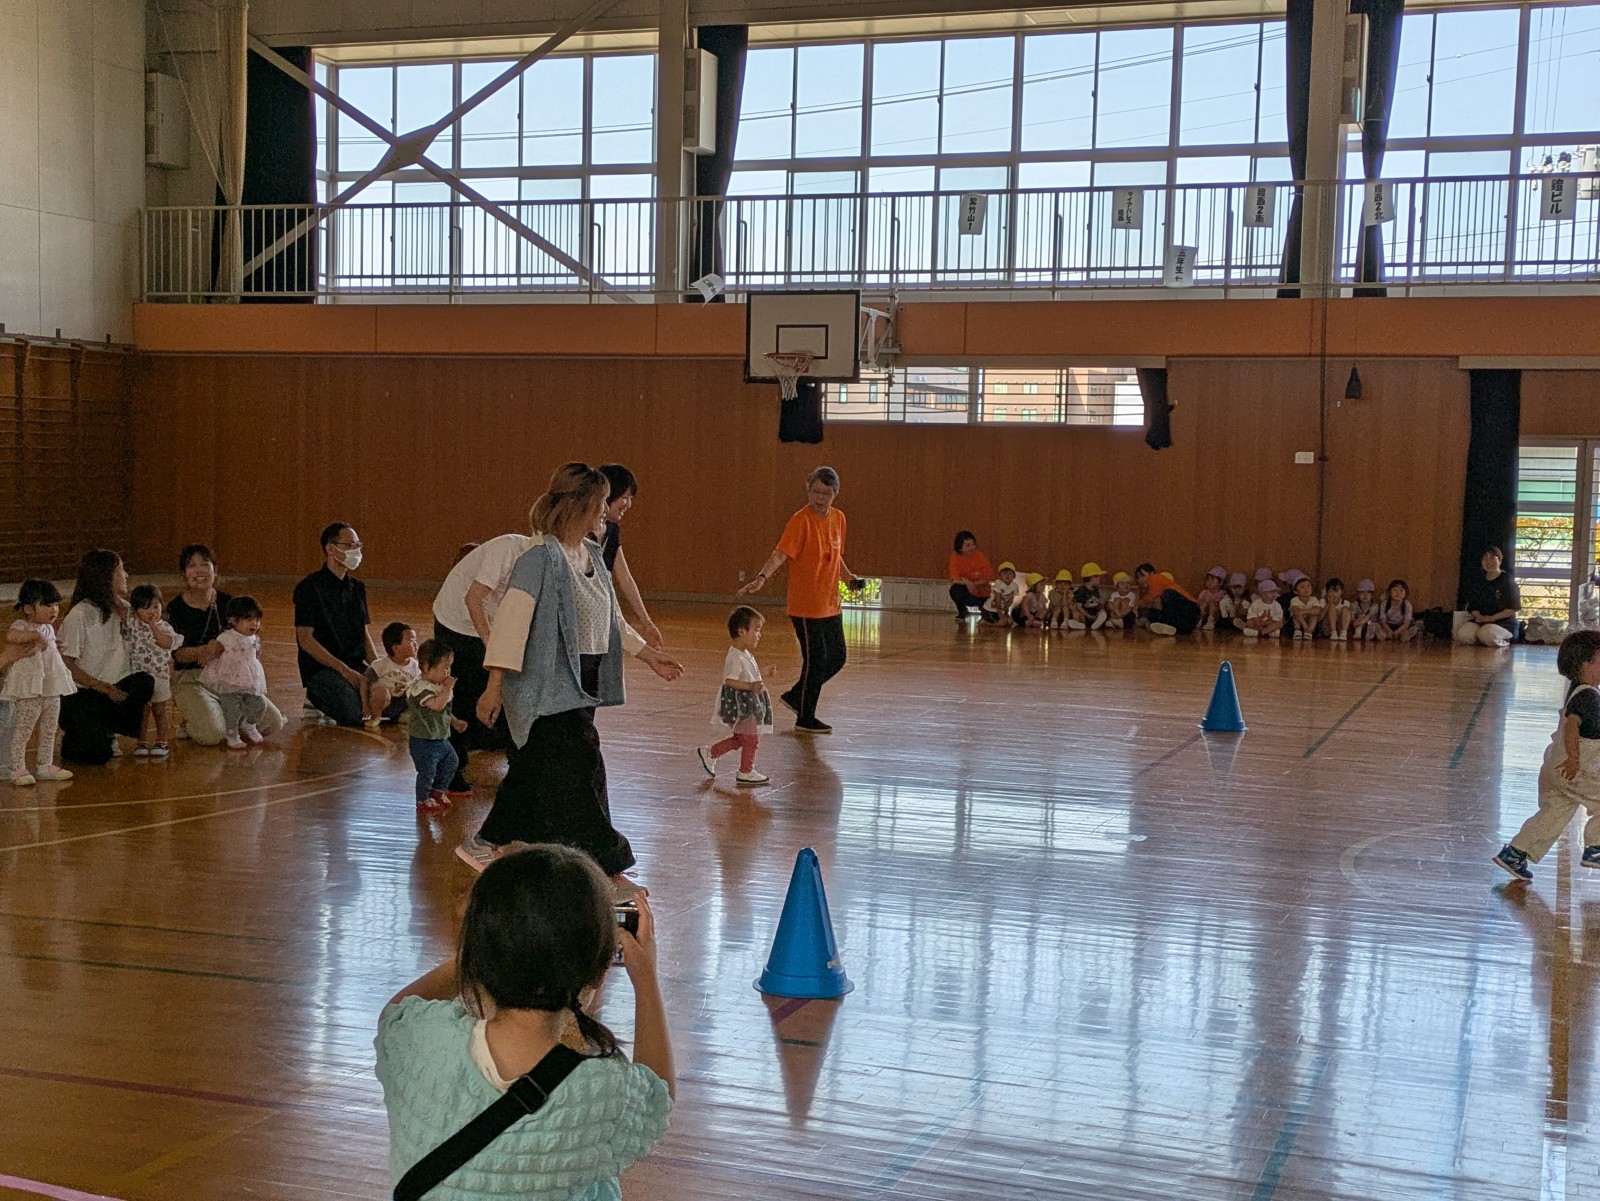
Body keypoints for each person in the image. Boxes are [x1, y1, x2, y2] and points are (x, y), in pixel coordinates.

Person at [375, 845, 673, 1200]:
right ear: (598, 972)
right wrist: (646, 979)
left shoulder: (417, 1040)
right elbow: (658, 1096)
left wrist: (480, 947)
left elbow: (395, 1013)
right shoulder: (601, 1091)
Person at [470, 464, 684, 887]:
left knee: (542, 771)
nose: (607, 509)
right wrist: (493, 688)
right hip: (542, 683)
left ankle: (493, 842)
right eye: (602, 502)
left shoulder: (593, 556)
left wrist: (648, 656)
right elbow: (510, 628)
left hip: (581, 681)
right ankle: (607, 864)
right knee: (583, 766)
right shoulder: (537, 560)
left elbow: (611, 619)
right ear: (582, 505)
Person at [739, 466, 859, 734]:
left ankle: (796, 696)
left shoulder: (839, 518)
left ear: (835, 494)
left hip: (831, 604)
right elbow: (780, 554)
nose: (820, 498)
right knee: (815, 662)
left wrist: (849, 578)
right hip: (806, 607)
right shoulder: (800, 521)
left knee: (838, 657)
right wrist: (762, 577)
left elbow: (835, 556)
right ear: (808, 489)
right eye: (815, 492)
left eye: (826, 494)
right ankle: (805, 718)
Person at [431, 530, 536, 795]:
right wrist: (491, 644)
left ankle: (519, 769)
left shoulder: (543, 568)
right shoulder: (509, 548)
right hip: (455, 622)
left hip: (492, 625)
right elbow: (473, 598)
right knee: (457, 694)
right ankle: (449, 771)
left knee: (511, 691)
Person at [1493, 630, 1600, 882]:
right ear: (1586, 664)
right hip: (1576, 769)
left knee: (1554, 813)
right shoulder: (1588, 697)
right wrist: (1574, 758)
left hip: (1556, 769)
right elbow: (1573, 726)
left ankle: (1515, 853)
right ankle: (1596, 847)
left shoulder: (1578, 691)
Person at [165, 545, 287, 745]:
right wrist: (205, 650)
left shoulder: (229, 602)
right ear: (183, 573)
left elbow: (250, 632)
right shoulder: (175, 608)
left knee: (272, 722)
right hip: (192, 679)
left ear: (215, 570)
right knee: (212, 735)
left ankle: (218, 715)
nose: (199, 570)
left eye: (205, 564)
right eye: (191, 565)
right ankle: (197, 718)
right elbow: (177, 655)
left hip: (232, 677)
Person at [58, 549, 155, 765]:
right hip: (84, 692)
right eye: (121, 570)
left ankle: (107, 729)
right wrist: (100, 686)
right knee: (96, 756)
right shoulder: (79, 614)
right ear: (105, 575)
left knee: (144, 681)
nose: (126, 575)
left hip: (115, 688)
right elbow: (66, 663)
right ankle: (78, 734)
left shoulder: (125, 610)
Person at [293, 522, 378, 727]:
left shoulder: (357, 588)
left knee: (393, 696)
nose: (356, 551)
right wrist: (343, 670)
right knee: (354, 713)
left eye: (358, 545)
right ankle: (315, 697)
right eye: (350, 545)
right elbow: (305, 640)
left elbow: (364, 633)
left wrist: (380, 668)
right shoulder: (309, 587)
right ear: (331, 549)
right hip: (322, 668)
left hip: (355, 665)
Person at [4, 580, 75, 785]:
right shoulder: (21, 626)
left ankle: (45, 764)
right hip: (31, 689)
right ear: (28, 608)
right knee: (24, 727)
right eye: (47, 605)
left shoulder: (49, 629)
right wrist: (35, 635)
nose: (54, 610)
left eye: (56, 605)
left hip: (51, 685)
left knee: (50, 727)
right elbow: (12, 636)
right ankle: (17, 767)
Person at [696, 605, 775, 786]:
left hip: (748, 703)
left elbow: (749, 675)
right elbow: (730, 681)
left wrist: (763, 673)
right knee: (751, 738)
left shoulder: (745, 655)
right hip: (742, 705)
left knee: (741, 738)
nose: (759, 635)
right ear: (741, 631)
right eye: (756, 630)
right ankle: (745, 772)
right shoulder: (735, 657)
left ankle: (710, 753)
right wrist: (751, 686)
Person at [597, 464, 664, 649]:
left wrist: (647, 623)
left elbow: (625, 578)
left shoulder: (611, 530)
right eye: (624, 497)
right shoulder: (581, 531)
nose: (628, 504)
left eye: (630, 498)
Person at [406, 639, 467, 816]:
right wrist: (448, 688)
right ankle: (422, 799)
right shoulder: (421, 689)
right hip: (423, 740)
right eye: (444, 668)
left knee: (452, 761)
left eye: (449, 667)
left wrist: (454, 721)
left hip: (440, 737)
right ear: (426, 668)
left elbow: (443, 711)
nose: (447, 672)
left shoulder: (438, 687)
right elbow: (437, 706)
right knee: (427, 770)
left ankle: (438, 790)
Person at [201, 596, 269, 749]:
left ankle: (249, 725)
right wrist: (208, 658)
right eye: (248, 619)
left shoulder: (254, 638)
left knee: (259, 704)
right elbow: (213, 653)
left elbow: (255, 656)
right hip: (229, 681)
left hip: (248, 680)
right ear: (233, 620)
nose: (254, 623)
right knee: (232, 708)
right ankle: (232, 734)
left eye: (257, 619)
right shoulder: (226, 638)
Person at [125, 584, 182, 758]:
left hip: (159, 676)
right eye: (145, 608)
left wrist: (153, 627)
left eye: (156, 606)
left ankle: (162, 740)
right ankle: (141, 741)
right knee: (142, 712)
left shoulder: (165, 627)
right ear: (135, 611)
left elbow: (166, 643)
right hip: (139, 676)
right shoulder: (133, 623)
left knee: (159, 710)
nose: (152, 611)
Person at [1457, 545, 1520, 648]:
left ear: (1500, 560)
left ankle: (1504, 639)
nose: (1488, 562)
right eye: (1485, 558)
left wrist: (1491, 618)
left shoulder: (1507, 581)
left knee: (1487, 634)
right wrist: (1479, 616)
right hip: (1482, 621)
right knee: (1463, 635)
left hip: (1503, 622)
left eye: (1492, 558)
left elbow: (1513, 607)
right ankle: (1481, 639)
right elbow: (1473, 605)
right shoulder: (1479, 581)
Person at [367, 622, 420, 727]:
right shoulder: (380, 664)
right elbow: (365, 680)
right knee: (381, 692)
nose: (415, 644)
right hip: (386, 703)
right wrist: (365, 702)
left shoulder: (416, 666)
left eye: (415, 640)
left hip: (402, 702)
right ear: (395, 648)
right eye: (411, 641)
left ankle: (401, 717)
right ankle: (375, 717)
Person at [1135, 564, 1202, 636]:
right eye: (1138, 578)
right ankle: (1172, 627)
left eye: (1142, 576)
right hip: (1183, 623)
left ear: (1152, 573)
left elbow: (1157, 602)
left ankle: (1168, 623)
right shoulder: (1148, 594)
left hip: (1192, 611)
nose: (1140, 580)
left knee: (1168, 593)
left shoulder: (1154, 578)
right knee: (1151, 612)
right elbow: (1141, 605)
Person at [947, 531, 995, 622]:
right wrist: (967, 583)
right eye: (968, 545)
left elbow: (987, 578)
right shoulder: (955, 557)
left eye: (973, 544)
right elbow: (955, 579)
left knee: (990, 618)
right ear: (960, 548)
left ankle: (984, 611)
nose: (972, 547)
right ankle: (963, 611)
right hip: (967, 590)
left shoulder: (980, 556)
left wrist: (974, 584)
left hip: (982, 592)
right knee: (955, 589)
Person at [985, 562, 1023, 628]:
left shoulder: (1015, 586)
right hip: (990, 609)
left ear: (1014, 576)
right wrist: (1000, 614)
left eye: (1010, 573)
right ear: (1000, 576)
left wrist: (1006, 609)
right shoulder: (998, 583)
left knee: (1010, 622)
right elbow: (997, 599)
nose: (1007, 575)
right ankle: (984, 622)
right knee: (1002, 623)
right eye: (1004, 573)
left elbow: (1011, 598)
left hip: (1002, 610)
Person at [1288, 575, 1325, 640]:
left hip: (1309, 623)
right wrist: (1304, 625)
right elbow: (1296, 611)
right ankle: (1298, 631)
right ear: (1295, 591)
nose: (1306, 588)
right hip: (1299, 624)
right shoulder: (1294, 600)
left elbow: (1318, 611)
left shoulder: (1314, 599)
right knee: (1296, 614)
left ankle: (1309, 632)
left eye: (1308, 586)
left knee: (1314, 616)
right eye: (1302, 587)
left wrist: (1303, 611)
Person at [1076, 564, 1109, 631]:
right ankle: (1082, 625)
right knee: (1077, 615)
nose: (1099, 578)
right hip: (1086, 614)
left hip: (1095, 613)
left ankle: (1096, 623)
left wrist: (1102, 605)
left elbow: (1096, 602)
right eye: (1096, 576)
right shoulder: (1082, 590)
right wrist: (1088, 616)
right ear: (1089, 578)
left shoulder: (1096, 589)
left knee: (1103, 613)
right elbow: (1078, 606)